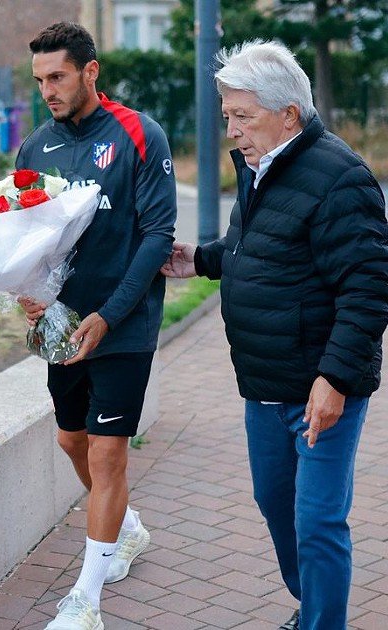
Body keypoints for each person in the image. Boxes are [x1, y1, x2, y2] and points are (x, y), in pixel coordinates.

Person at [161, 40, 388, 630]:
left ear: (288, 114)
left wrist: (334, 379)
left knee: (318, 522)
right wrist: (204, 259)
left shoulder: (340, 177)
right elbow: (261, 249)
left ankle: (321, 622)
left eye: (243, 116)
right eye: (229, 116)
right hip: (264, 385)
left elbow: (368, 290)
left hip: (320, 390)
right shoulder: (262, 166)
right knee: (276, 506)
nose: (231, 130)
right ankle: (311, 603)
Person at [15, 22, 177, 629]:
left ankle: (86, 601)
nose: (48, 91)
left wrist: (110, 316)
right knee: (70, 440)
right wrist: (27, 295)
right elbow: (25, 236)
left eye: (57, 77)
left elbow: (157, 233)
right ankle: (128, 531)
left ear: (91, 71)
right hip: (62, 325)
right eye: (39, 81)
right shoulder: (34, 147)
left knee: (108, 456)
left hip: (124, 322)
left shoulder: (140, 133)